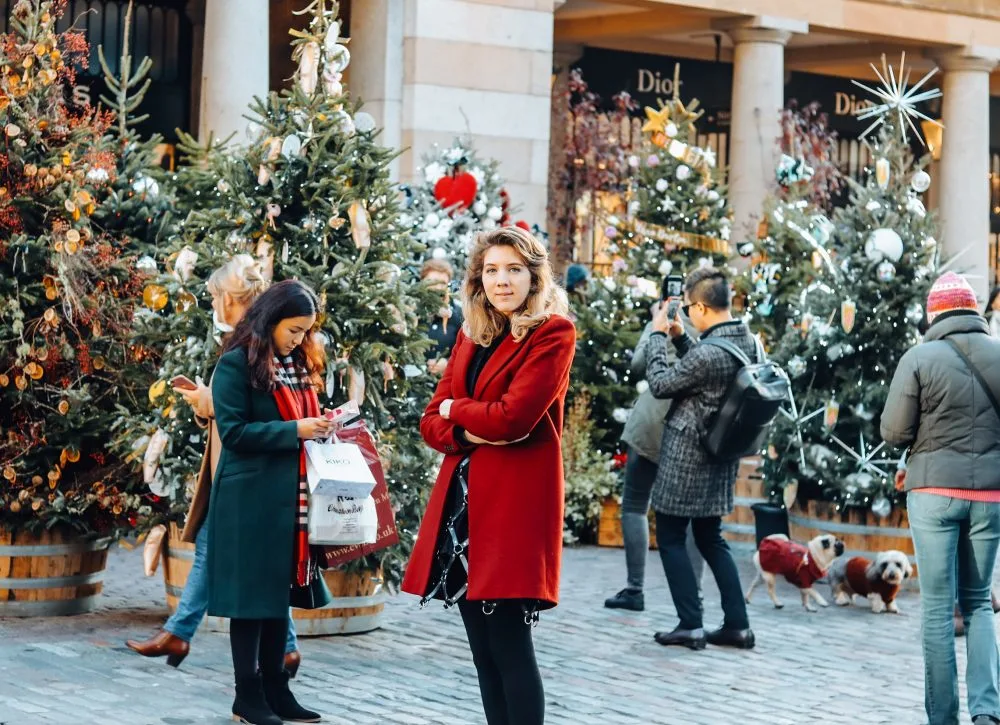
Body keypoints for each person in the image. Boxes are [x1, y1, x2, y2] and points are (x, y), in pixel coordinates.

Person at [402, 226, 575, 725]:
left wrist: (461, 408)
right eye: (492, 270)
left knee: (510, 645)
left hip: (514, 506)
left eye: (514, 270)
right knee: (481, 649)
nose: (502, 281)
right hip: (463, 502)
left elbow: (514, 419)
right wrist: (465, 426)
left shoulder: (552, 333)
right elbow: (432, 421)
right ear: (479, 278)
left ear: (533, 276)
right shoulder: (470, 332)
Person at [126, 256, 301, 675]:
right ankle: (189, 633)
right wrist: (208, 400)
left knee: (214, 545)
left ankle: (186, 634)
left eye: (215, 296)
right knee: (211, 544)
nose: (213, 303)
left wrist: (207, 401)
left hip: (244, 471)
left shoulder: (251, 345)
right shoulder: (251, 341)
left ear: (231, 298)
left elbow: (251, 414)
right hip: (240, 467)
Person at [207, 279, 334, 725]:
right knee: (251, 603)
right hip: (249, 502)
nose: (300, 339)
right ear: (271, 319)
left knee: (278, 599)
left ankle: (278, 692)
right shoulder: (234, 364)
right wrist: (296, 431)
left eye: (305, 332)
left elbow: (302, 419)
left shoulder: (296, 366)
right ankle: (248, 696)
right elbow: (235, 433)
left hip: (290, 501)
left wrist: (323, 423)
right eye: (294, 330)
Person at [882, 272, 1000, 725]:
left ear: (934, 314)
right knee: (978, 601)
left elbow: (893, 432)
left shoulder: (919, 357)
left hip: (933, 494)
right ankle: (988, 712)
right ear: (973, 311)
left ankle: (943, 718)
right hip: (990, 495)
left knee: (936, 607)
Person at [644, 266, 755, 651]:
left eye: (689, 308)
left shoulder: (709, 352)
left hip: (688, 455)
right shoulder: (747, 341)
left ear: (702, 307)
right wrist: (681, 338)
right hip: (721, 454)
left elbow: (660, 384)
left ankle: (690, 623)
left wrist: (659, 335)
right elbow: (708, 374)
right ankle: (737, 626)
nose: (687, 314)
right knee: (711, 537)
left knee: (672, 536)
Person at [605, 278, 705, 612]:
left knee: (634, 504)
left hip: (651, 423)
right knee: (691, 515)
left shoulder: (664, 317)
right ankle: (695, 595)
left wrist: (654, 324)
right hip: (693, 427)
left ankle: (635, 590)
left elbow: (638, 366)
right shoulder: (711, 328)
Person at [421, 257, 464, 376]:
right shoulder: (410, 311)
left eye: (443, 283)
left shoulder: (459, 315)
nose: (438, 287)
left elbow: (465, 350)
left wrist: (448, 363)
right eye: (432, 282)